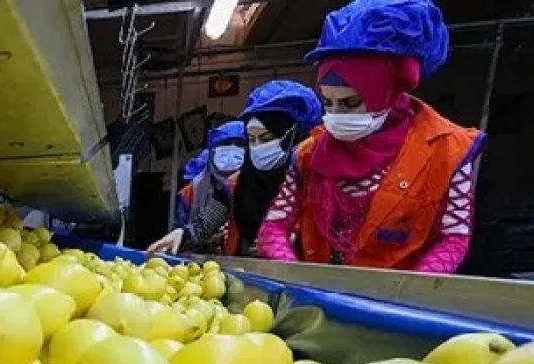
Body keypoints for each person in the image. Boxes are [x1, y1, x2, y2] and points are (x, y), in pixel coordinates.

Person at [256, 0, 483, 273]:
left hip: (397, 301)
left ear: (386, 90)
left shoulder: (448, 150)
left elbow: (453, 237)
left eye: (351, 103)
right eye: (328, 103)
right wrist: (297, 275)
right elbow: (274, 226)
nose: (336, 116)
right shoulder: (309, 154)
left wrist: (411, 291)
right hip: (323, 297)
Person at [226, 80, 324, 256]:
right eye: (251, 139)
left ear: (295, 134)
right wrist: (185, 232)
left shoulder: (316, 181)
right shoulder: (239, 184)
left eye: (266, 138)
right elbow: (211, 215)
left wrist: (296, 238)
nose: (257, 147)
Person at [148, 121, 246, 255]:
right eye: (226, 145)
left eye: (239, 145)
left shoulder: (253, 186)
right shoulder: (195, 192)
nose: (232, 150)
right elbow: (198, 229)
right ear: (211, 152)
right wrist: (184, 236)